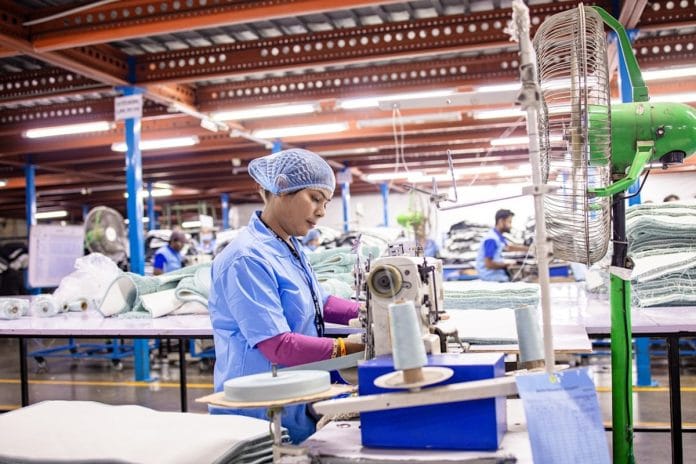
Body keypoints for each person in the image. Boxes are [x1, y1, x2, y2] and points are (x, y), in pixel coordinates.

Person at [208, 148, 363, 443]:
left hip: (292, 396)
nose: (321, 211)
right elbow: (278, 346)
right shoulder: (246, 258)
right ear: (281, 188)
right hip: (258, 411)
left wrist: (370, 310)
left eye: (326, 202)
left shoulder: (289, 246)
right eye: (315, 198)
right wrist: (353, 348)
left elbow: (322, 302)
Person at [475, 209, 527, 282]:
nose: (510, 226)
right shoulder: (491, 239)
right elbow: (488, 264)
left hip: (495, 273)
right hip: (491, 276)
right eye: (509, 222)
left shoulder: (497, 236)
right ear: (501, 221)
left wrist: (528, 249)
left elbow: (509, 247)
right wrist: (507, 264)